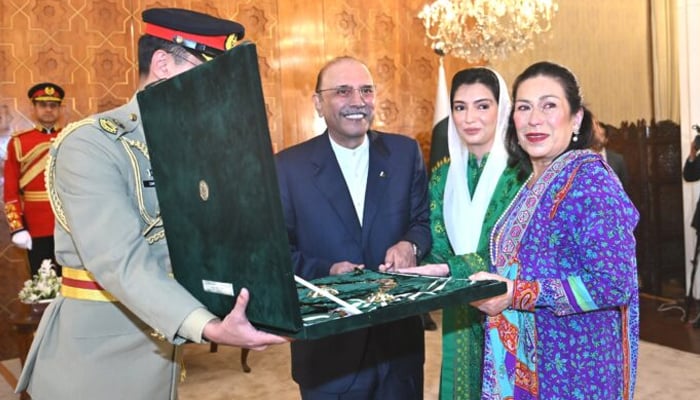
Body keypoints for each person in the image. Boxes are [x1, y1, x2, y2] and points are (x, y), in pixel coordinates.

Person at [16, 8, 288, 400]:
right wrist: (209, 327)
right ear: (162, 64)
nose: (218, 89)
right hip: (98, 358)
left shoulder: (195, 150)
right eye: (209, 73)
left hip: (164, 352)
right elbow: (119, 259)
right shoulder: (91, 144)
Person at [469, 61, 639, 399]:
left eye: (549, 105)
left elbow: (613, 284)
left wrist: (516, 293)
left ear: (576, 118)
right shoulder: (530, 184)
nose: (534, 119)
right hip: (531, 363)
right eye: (524, 107)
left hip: (577, 371)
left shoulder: (591, 182)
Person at [275, 56, 431, 399]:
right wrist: (327, 270)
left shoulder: (405, 153)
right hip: (329, 351)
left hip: (398, 348)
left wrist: (410, 246)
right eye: (342, 91)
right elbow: (277, 254)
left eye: (366, 90)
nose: (357, 101)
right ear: (318, 103)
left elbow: (421, 222)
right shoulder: (287, 167)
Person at [389, 67, 525, 399]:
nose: (469, 117)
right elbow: (437, 247)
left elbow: (518, 252)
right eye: (460, 107)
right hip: (457, 309)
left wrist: (452, 268)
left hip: (511, 308)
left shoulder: (522, 174)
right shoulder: (443, 176)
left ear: (502, 109)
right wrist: (407, 257)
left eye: (482, 106)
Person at [3, 83, 64, 276]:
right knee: (43, 285)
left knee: (73, 286)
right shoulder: (19, 142)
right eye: (42, 104)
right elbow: (10, 191)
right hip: (36, 226)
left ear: (59, 109)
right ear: (33, 108)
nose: (48, 109)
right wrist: (17, 228)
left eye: (53, 105)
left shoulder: (71, 138)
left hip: (69, 223)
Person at [591, 114, 629, 189]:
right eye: (595, 135)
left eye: (601, 135)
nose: (598, 139)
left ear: (606, 140)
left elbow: (625, 185)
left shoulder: (618, 159)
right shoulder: (583, 158)